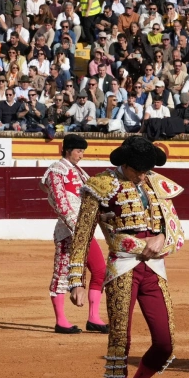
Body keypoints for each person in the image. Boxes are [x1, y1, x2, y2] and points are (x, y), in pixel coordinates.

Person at [66, 136, 185, 378]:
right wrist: (76, 280)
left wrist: (162, 240)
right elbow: (82, 235)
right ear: (125, 165)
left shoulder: (156, 182)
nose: (145, 175)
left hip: (154, 269)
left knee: (165, 343)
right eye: (139, 171)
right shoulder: (101, 185)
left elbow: (176, 229)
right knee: (120, 344)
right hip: (122, 268)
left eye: (148, 170)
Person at [39, 135, 107, 334]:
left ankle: (94, 317)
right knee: (61, 274)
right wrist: (78, 229)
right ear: (67, 150)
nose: (81, 155)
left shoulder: (81, 172)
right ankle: (61, 321)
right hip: (67, 232)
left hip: (84, 229)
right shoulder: (55, 170)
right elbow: (61, 204)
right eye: (78, 151)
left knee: (100, 270)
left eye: (83, 151)